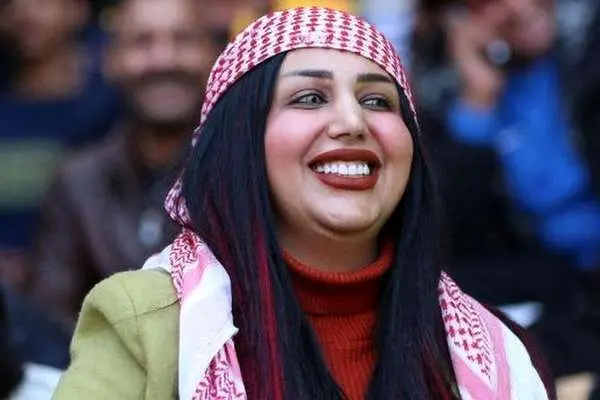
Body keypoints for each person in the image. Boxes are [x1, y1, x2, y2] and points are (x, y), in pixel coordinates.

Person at [53, 7, 554, 399]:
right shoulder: (147, 323)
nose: (352, 122)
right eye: (310, 98)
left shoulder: (496, 350)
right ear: (241, 144)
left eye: (377, 101)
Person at [410, 0, 600, 377]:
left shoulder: (587, 51)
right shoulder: (450, 94)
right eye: (485, 3)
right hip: (557, 281)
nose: (514, 6)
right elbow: (455, 228)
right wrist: (478, 97)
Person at [27, 0, 219, 330]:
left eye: (184, 39)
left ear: (215, 55)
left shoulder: (246, 174)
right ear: (110, 60)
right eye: (142, 42)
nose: (163, 59)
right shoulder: (78, 184)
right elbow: (48, 324)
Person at [0, 0, 121, 290]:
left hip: (89, 282)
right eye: (8, 4)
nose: (24, 12)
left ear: (78, 8)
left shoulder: (111, 102)